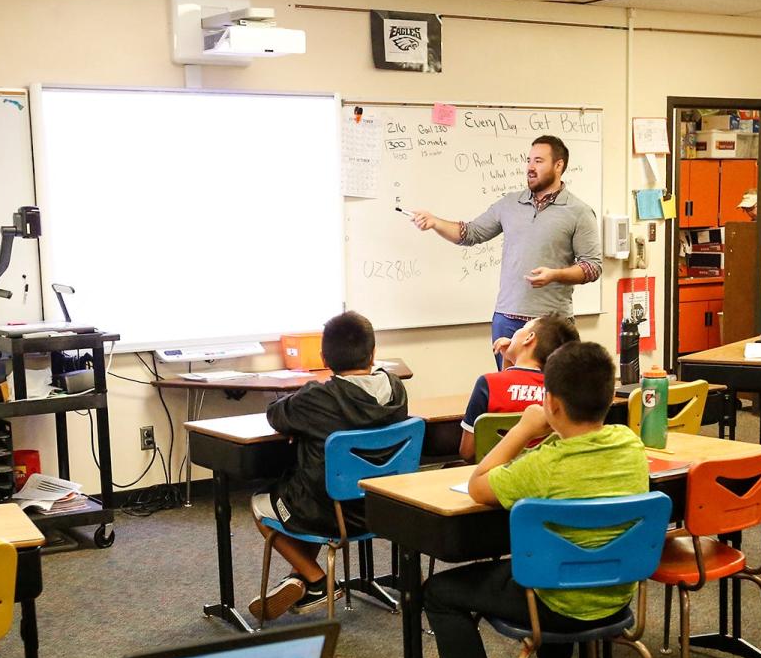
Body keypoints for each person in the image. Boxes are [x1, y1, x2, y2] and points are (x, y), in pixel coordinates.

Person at [423, 341, 647, 658]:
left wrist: (525, 427)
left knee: (439, 593)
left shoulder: (543, 467)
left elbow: (478, 484)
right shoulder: (632, 447)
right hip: (616, 594)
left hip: (556, 602)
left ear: (552, 404)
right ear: (612, 395)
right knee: (556, 559)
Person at [250, 311, 408, 621]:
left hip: (329, 514)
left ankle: (317, 580)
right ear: (373, 352)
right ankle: (299, 579)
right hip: (384, 509)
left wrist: (303, 428)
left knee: (262, 506)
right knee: (310, 498)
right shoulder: (396, 389)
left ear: (323, 357)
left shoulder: (318, 397)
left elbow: (275, 414)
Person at [411, 136, 601, 365]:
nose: (530, 167)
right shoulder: (510, 204)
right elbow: (470, 233)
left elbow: (592, 267)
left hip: (553, 325)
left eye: (539, 161)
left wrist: (555, 275)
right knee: (509, 392)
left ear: (558, 165)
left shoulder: (579, 212)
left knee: (553, 392)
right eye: (529, 160)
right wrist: (434, 222)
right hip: (507, 320)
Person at [457, 314, 580, 461]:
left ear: (529, 338)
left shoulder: (488, 383)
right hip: (546, 474)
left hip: (497, 477)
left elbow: (467, 451)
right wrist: (508, 359)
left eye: (523, 328)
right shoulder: (560, 390)